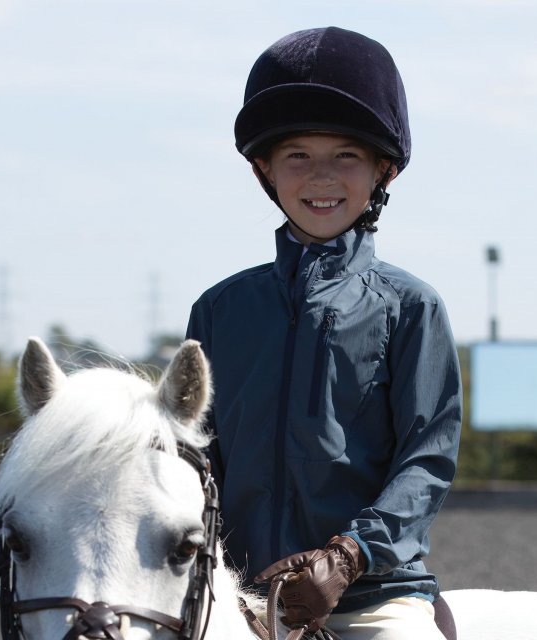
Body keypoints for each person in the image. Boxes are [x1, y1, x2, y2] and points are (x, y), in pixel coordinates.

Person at [186, 26, 462, 640]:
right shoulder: (218, 311)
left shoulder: (412, 307)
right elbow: (199, 458)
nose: (321, 178)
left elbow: (427, 460)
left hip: (373, 597)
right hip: (240, 594)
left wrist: (347, 557)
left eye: (346, 156)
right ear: (265, 169)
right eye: (298, 156)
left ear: (382, 171)